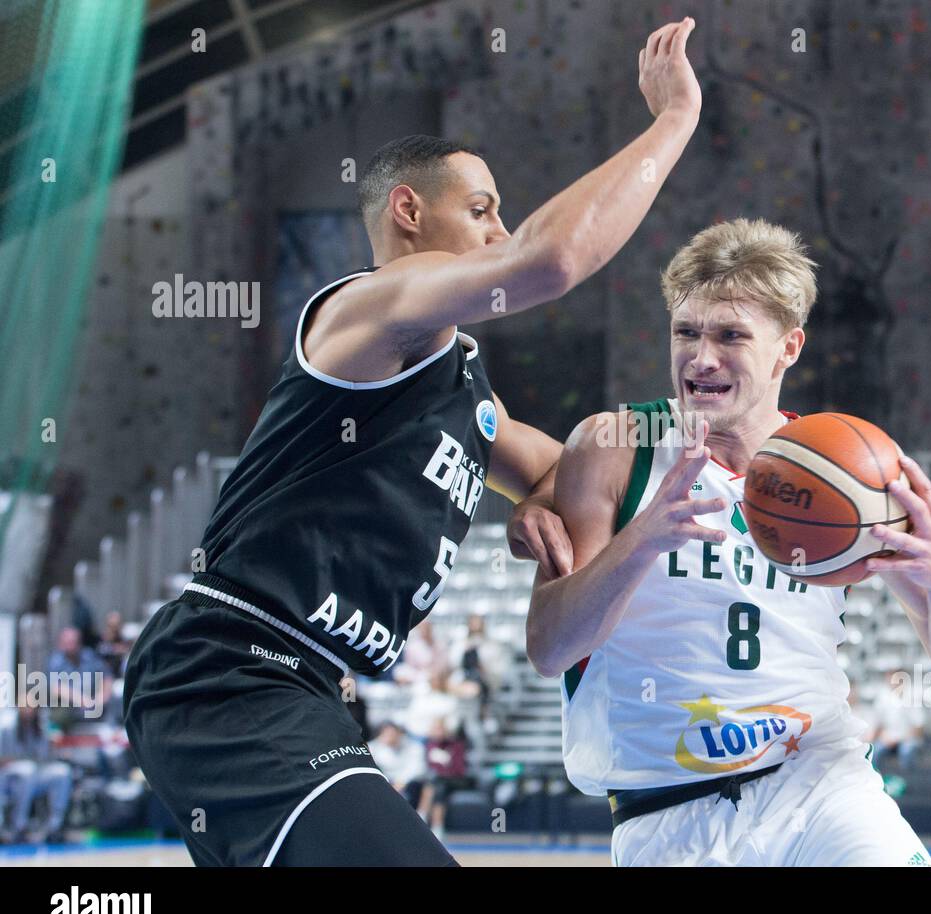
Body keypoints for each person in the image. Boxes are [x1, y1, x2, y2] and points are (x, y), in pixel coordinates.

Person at [122, 17, 704, 866]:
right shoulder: (374, 310)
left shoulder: (462, 386)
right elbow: (550, 262)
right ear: (407, 210)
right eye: (481, 209)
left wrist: (536, 508)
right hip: (230, 670)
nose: (501, 229)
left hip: (308, 690)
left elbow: (558, 466)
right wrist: (673, 121)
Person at [526, 218, 931, 866]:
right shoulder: (616, 448)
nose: (701, 358)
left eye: (730, 336)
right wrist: (640, 541)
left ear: (788, 347)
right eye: (686, 332)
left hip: (822, 787)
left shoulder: (848, 472)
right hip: (666, 811)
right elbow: (551, 649)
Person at [0, 706, 74, 844]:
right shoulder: (6, 724)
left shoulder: (41, 723)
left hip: (34, 774)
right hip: (6, 777)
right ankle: (18, 827)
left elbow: (45, 757)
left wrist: (54, 745)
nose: (29, 709)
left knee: (62, 772)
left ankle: (54, 827)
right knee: (26, 770)